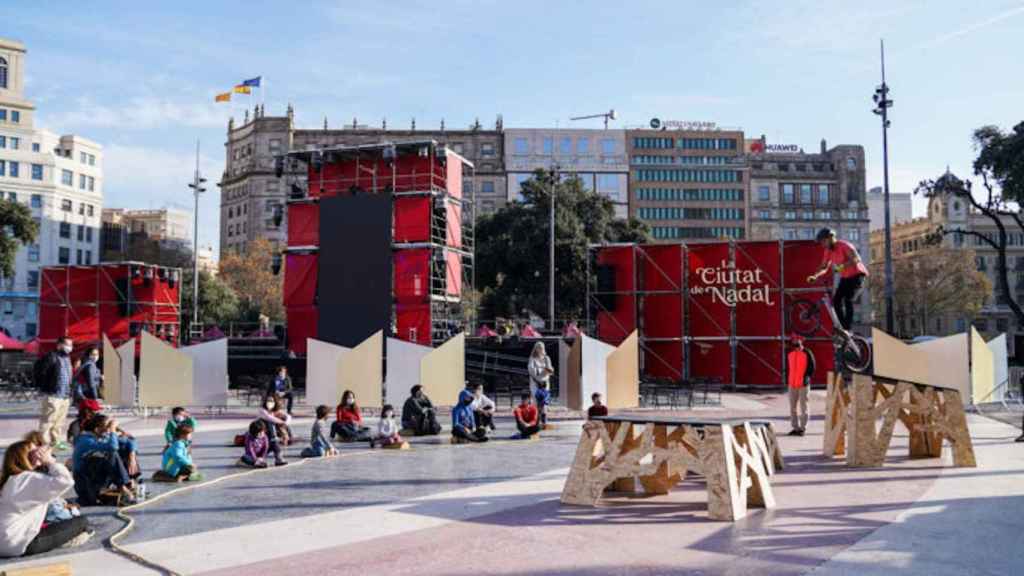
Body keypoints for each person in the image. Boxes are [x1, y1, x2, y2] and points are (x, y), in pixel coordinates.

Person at [0, 440, 92, 557]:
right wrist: (50, 461)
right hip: (17, 544)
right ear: (25, 457)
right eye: (34, 453)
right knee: (82, 521)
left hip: (4, 541)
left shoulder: (9, 480)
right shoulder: (26, 479)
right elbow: (65, 481)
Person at [807, 227, 869, 331]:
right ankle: (842, 328)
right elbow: (824, 267)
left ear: (831, 238)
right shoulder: (828, 251)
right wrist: (815, 276)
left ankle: (847, 328)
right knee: (836, 301)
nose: (822, 244)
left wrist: (841, 267)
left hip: (857, 275)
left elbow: (857, 259)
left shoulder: (844, 245)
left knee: (848, 299)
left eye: (823, 241)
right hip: (845, 277)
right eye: (821, 242)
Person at [71, 414, 136, 506]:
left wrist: (132, 457)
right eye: (107, 426)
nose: (109, 429)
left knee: (125, 449)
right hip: (85, 484)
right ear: (97, 429)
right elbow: (113, 447)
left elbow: (130, 440)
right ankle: (123, 486)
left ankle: (128, 482)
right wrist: (113, 430)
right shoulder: (85, 440)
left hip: (96, 479)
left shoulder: (101, 436)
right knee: (111, 453)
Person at [35, 336, 75, 451]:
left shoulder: (67, 358)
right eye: (67, 344)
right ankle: (44, 443)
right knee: (47, 420)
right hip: (53, 394)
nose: (70, 347)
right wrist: (43, 387)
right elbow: (40, 371)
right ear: (59, 345)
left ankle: (56, 441)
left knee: (59, 421)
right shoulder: (51, 356)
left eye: (71, 345)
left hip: (65, 395)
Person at [786, 336, 816, 436]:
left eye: (798, 345)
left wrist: (806, 378)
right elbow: (788, 368)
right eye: (795, 345)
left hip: (803, 384)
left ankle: (803, 428)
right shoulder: (790, 354)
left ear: (801, 343)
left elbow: (812, 367)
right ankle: (795, 427)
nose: (796, 347)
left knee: (804, 406)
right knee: (792, 407)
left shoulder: (807, 353)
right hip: (792, 383)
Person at [257, 395, 290, 465]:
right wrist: (282, 422)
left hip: (270, 437)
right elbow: (269, 418)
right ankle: (277, 458)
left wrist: (286, 423)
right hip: (260, 436)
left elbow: (288, 416)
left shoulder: (274, 411)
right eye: (268, 401)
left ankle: (278, 458)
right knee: (270, 423)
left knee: (274, 443)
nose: (270, 402)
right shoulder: (262, 410)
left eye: (272, 401)